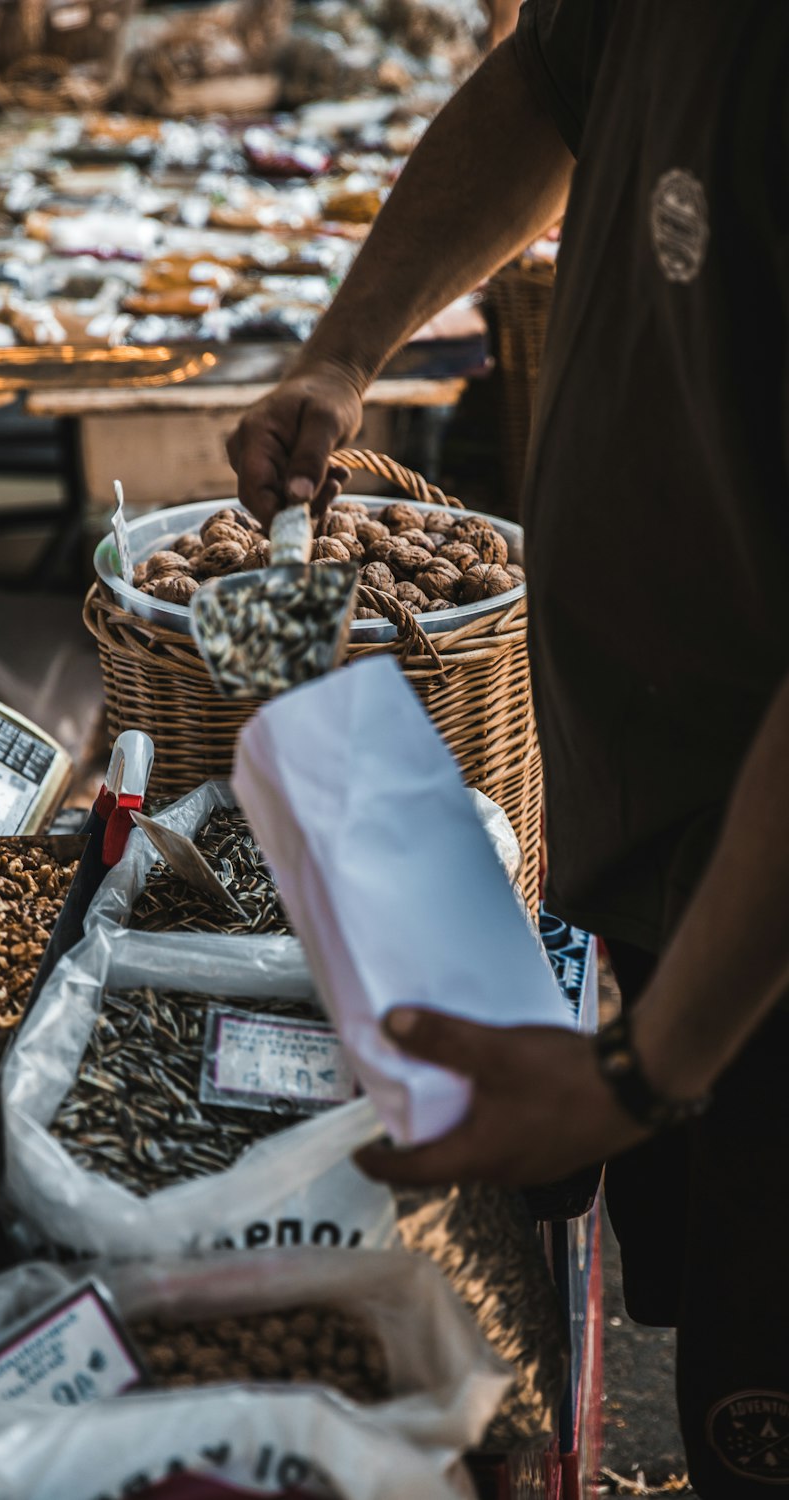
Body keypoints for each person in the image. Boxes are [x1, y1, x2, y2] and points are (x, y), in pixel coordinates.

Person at [226, 5, 789, 1495]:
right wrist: (346, 350)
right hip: (672, 852)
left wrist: (640, 1077)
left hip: (765, 912)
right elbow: (550, 82)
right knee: (729, 1337)